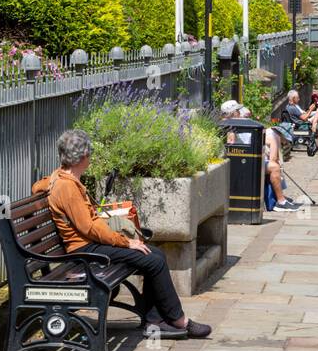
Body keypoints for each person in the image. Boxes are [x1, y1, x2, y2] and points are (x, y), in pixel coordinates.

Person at [33, 130, 212, 339]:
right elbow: (89, 228)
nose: (90, 158)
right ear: (83, 158)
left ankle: (156, 320)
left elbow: (38, 186)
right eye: (89, 154)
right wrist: (125, 243)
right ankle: (180, 320)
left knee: (156, 255)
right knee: (152, 259)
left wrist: (47, 184)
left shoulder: (62, 177)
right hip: (84, 250)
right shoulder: (67, 186)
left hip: (88, 244)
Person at [264, 123, 301, 211]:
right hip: (262, 162)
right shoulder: (275, 137)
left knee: (278, 167)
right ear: (283, 134)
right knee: (277, 167)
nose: (285, 142)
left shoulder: (269, 131)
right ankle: (281, 201)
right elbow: (273, 159)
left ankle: (281, 196)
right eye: (286, 140)